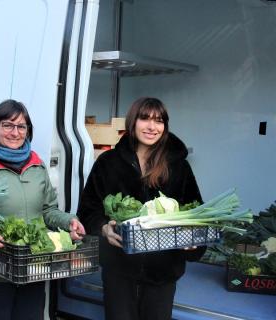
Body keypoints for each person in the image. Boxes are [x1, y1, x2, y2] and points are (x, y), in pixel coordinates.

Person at [77, 97, 206, 320]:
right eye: (144, 118)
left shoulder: (178, 165)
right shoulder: (109, 162)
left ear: (165, 126)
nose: (151, 127)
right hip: (119, 268)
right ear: (132, 122)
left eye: (159, 121)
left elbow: (195, 210)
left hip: (162, 271)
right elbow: (88, 209)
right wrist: (103, 227)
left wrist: (192, 239)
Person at [0, 99, 86, 320]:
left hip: (33, 267)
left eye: (21, 126)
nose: (15, 132)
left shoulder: (36, 165)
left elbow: (49, 210)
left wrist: (69, 221)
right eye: (7, 125)